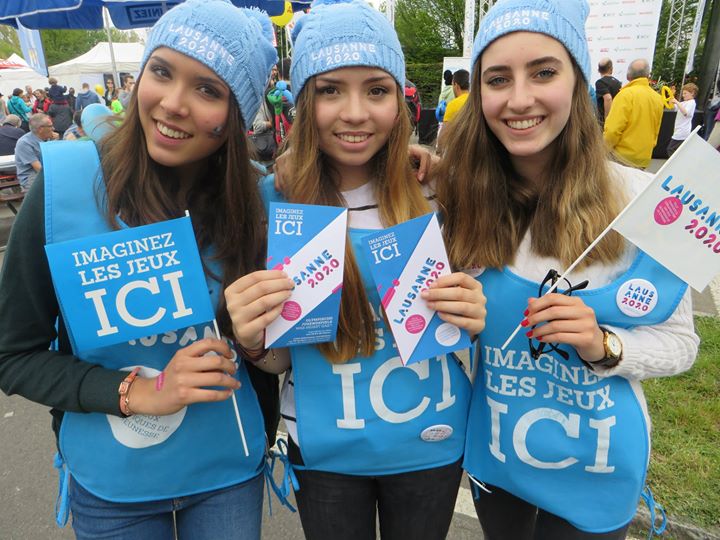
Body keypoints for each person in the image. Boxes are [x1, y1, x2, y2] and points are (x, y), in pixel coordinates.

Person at [0, 1, 279, 538]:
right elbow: (14, 356)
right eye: (162, 71)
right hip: (111, 486)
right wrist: (136, 392)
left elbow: (338, 190)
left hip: (227, 470)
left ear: (236, 116)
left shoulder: (256, 199)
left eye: (207, 90)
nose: (173, 104)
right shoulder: (65, 186)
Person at [436, 0, 699, 538]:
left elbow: (682, 344)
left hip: (598, 464)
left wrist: (605, 344)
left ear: (579, 83)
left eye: (544, 72)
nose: (519, 99)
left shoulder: (642, 200)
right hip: (498, 454)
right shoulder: (462, 201)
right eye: (498, 78)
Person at [225, 1, 486, 539]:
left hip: (429, 440)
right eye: (329, 90)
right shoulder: (271, 200)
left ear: (400, 101)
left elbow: (479, 316)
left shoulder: (436, 191)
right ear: (303, 101)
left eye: (376, 89)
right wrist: (253, 342)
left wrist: (474, 309)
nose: (355, 113)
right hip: (325, 450)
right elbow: (280, 360)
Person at [603, 58, 663, 169]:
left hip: (621, 158)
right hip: (644, 157)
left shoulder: (625, 95)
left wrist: (603, 150)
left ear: (628, 76)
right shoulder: (657, 98)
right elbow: (656, 129)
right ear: (648, 76)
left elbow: (613, 130)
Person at [14, 112, 57, 191]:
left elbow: (56, 160)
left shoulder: (47, 139)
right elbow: (39, 169)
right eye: (50, 126)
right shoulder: (25, 143)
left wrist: (54, 142)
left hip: (45, 173)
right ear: (41, 129)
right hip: (31, 177)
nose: (53, 129)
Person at [666, 82, 698, 157]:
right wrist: (671, 100)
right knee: (678, 150)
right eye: (683, 93)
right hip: (678, 130)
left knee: (670, 149)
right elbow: (674, 108)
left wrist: (677, 102)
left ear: (692, 93)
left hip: (682, 131)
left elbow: (685, 112)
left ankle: (674, 163)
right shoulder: (684, 103)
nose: (683, 95)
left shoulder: (691, 103)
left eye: (685, 93)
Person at [594, 57, 621, 125]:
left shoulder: (600, 82)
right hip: (617, 119)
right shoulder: (617, 82)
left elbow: (608, 98)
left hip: (604, 122)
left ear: (598, 70)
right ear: (611, 69)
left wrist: (607, 121)